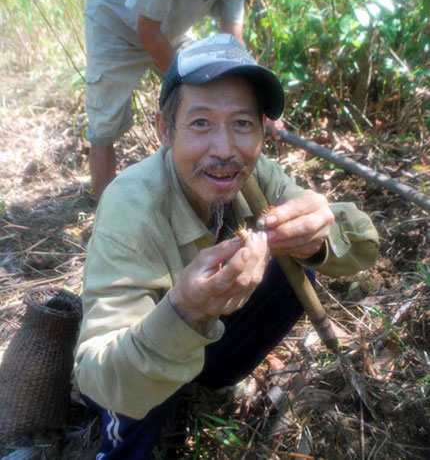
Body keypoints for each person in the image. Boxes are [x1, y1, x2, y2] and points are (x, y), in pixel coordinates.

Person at [74, 34, 379, 459]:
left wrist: (319, 235)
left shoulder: (255, 175)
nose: (224, 150)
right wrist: (183, 311)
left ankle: (205, 386)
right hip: (131, 370)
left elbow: (361, 242)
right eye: (200, 123)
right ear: (165, 129)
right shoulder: (131, 208)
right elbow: (100, 375)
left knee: (298, 266)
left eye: (242, 124)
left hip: (200, 355)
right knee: (134, 405)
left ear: (262, 131)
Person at [84, 0, 301, 199]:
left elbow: (232, 38)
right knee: (104, 127)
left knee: (219, 97)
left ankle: (198, 199)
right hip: (115, 28)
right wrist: (198, 87)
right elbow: (146, 29)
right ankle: (105, 216)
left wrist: (257, 106)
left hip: (168, 30)